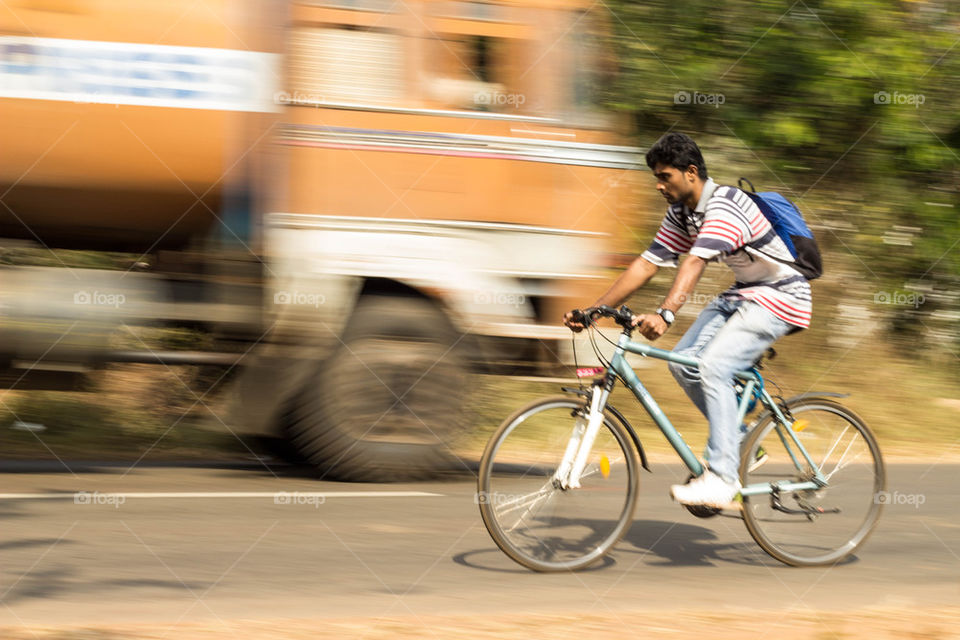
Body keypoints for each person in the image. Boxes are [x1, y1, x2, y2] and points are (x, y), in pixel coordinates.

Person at [563, 132, 811, 508]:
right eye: (657, 179)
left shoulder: (726, 205)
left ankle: (723, 477)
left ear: (691, 172)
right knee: (686, 365)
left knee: (714, 367)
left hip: (782, 296)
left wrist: (666, 313)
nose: (660, 186)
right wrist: (594, 309)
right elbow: (648, 263)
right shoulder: (682, 212)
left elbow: (694, 261)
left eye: (665, 177)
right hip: (744, 293)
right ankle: (741, 442)